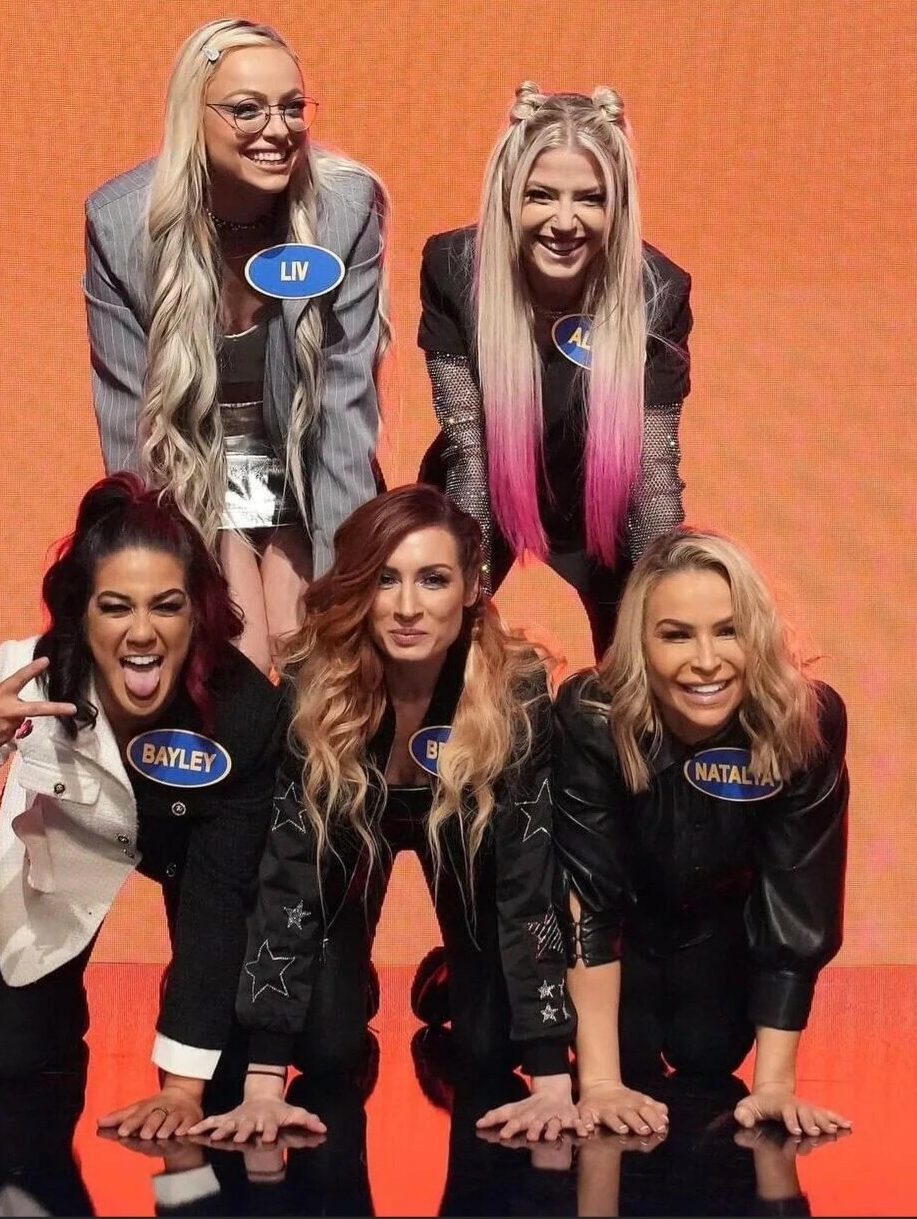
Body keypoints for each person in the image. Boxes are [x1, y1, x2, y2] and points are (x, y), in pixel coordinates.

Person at [0, 473, 286, 1137]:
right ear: (82, 615)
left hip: (201, 859)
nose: (141, 632)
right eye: (115, 607)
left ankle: (195, 1003)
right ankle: (56, 996)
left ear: (197, 614)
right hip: (74, 847)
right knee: (2, 1050)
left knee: (223, 1060)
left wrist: (180, 1090)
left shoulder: (247, 713)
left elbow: (220, 895)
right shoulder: (31, 676)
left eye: (166, 606)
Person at [190, 484, 584, 1143]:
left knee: (491, 1048)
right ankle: (351, 979)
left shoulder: (514, 691)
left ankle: (447, 975)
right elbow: (289, 873)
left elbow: (528, 881)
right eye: (385, 579)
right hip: (351, 839)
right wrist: (262, 1085)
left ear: (471, 587)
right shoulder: (315, 683)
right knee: (326, 1049)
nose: (406, 607)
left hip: (465, 842)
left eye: (433, 580)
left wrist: (551, 1081)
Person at [85, 17, 390, 674]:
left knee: (310, 650)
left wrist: (342, 588)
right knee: (233, 662)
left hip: (305, 469)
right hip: (190, 473)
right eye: (247, 110)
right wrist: (180, 584)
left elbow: (344, 414)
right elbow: (133, 430)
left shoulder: (346, 209)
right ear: (192, 116)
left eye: (292, 107)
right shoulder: (120, 225)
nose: (278, 129)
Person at [552, 527, 852, 1136]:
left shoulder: (807, 719)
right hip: (621, 930)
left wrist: (774, 1086)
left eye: (729, 630)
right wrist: (601, 1083)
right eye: (676, 635)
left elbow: (798, 900)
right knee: (610, 1053)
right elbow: (588, 899)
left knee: (707, 1052)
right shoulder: (592, 715)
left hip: (716, 930)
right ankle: (454, 979)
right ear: (640, 642)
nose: (708, 661)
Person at [418, 82, 692, 659]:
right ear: (508, 196)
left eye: (590, 199)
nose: (564, 221)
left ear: (617, 206)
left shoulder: (659, 292)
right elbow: (469, 449)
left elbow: (653, 471)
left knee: (647, 649)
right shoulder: (453, 269)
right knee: (438, 639)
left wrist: (670, 597)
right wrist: (460, 591)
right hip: (483, 478)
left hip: (605, 499)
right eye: (540, 195)